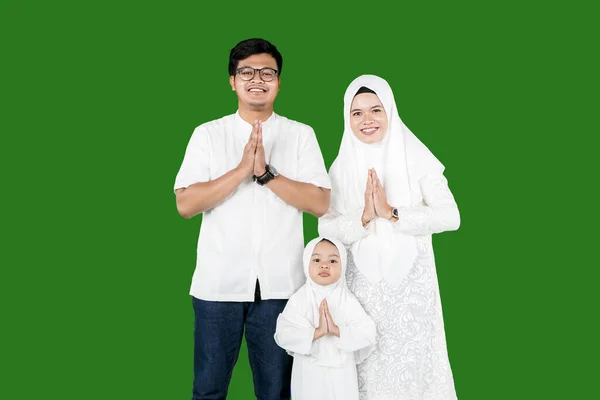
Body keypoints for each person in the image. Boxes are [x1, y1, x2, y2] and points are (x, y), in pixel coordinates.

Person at [174, 38, 331, 400]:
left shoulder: (300, 134)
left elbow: (320, 203)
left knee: (276, 392)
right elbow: (186, 204)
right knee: (208, 389)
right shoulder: (208, 134)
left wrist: (266, 175)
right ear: (232, 80)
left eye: (267, 72)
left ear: (279, 80)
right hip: (217, 286)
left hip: (282, 287)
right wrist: (243, 169)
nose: (257, 79)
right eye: (246, 71)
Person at [318, 75, 461, 400]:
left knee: (417, 370)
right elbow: (324, 228)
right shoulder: (339, 168)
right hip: (362, 293)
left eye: (375, 110)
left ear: (390, 111)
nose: (366, 120)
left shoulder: (416, 156)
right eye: (357, 113)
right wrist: (365, 216)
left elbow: (451, 216)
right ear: (347, 117)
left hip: (413, 292)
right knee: (366, 373)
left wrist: (392, 211)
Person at [274, 237, 376, 400]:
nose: (324, 265)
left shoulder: (347, 301)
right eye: (316, 259)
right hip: (308, 371)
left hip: (342, 374)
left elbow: (368, 332)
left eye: (333, 261)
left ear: (343, 266)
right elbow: (283, 334)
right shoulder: (299, 300)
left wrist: (337, 331)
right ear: (306, 263)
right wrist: (317, 332)